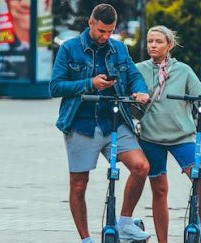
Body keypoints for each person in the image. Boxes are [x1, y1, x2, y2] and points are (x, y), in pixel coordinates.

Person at [49, 4, 150, 243]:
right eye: (102, 31)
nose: (106, 36)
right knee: (78, 184)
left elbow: (134, 75)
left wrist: (140, 91)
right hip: (81, 124)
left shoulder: (119, 48)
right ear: (91, 23)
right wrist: (89, 83)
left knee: (141, 167)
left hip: (114, 122)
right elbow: (55, 87)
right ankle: (86, 239)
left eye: (110, 31)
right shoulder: (69, 48)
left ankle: (125, 222)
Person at [136, 25, 201, 243]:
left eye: (158, 41)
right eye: (150, 41)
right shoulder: (138, 69)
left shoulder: (183, 70)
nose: (153, 45)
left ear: (169, 45)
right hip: (151, 138)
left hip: (182, 137)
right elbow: (127, 94)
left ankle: (198, 223)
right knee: (159, 191)